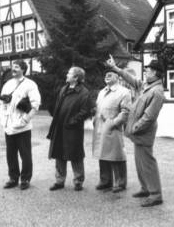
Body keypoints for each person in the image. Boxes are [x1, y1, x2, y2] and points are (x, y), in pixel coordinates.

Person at [105, 55, 165, 207]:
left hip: (143, 131)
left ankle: (155, 194)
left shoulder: (157, 92)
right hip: (138, 131)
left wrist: (134, 128)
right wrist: (115, 68)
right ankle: (146, 188)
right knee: (140, 162)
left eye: (149, 70)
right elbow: (130, 78)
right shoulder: (145, 86)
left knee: (147, 163)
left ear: (156, 73)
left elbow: (149, 117)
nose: (146, 72)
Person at [47, 67, 92, 191]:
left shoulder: (84, 92)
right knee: (59, 154)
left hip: (73, 129)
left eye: (69, 73)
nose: (66, 75)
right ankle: (59, 181)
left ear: (76, 77)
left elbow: (84, 111)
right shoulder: (63, 89)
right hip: (60, 128)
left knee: (75, 155)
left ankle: (78, 181)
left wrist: (72, 122)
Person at [0, 60, 41, 190]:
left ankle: (25, 179)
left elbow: (35, 106)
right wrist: (3, 121)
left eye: (16, 67)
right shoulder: (7, 84)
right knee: (10, 154)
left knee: (25, 154)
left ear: (23, 69)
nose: (13, 69)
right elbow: (2, 104)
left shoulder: (30, 84)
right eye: (13, 67)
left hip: (22, 127)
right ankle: (13, 178)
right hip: (8, 126)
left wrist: (24, 121)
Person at [92, 69, 131, 193]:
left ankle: (120, 182)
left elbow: (125, 112)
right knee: (102, 154)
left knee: (116, 155)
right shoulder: (101, 92)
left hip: (113, 127)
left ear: (118, 77)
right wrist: (94, 119)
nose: (107, 76)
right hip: (99, 126)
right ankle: (105, 181)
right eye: (105, 74)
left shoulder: (124, 92)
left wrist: (113, 123)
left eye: (110, 74)